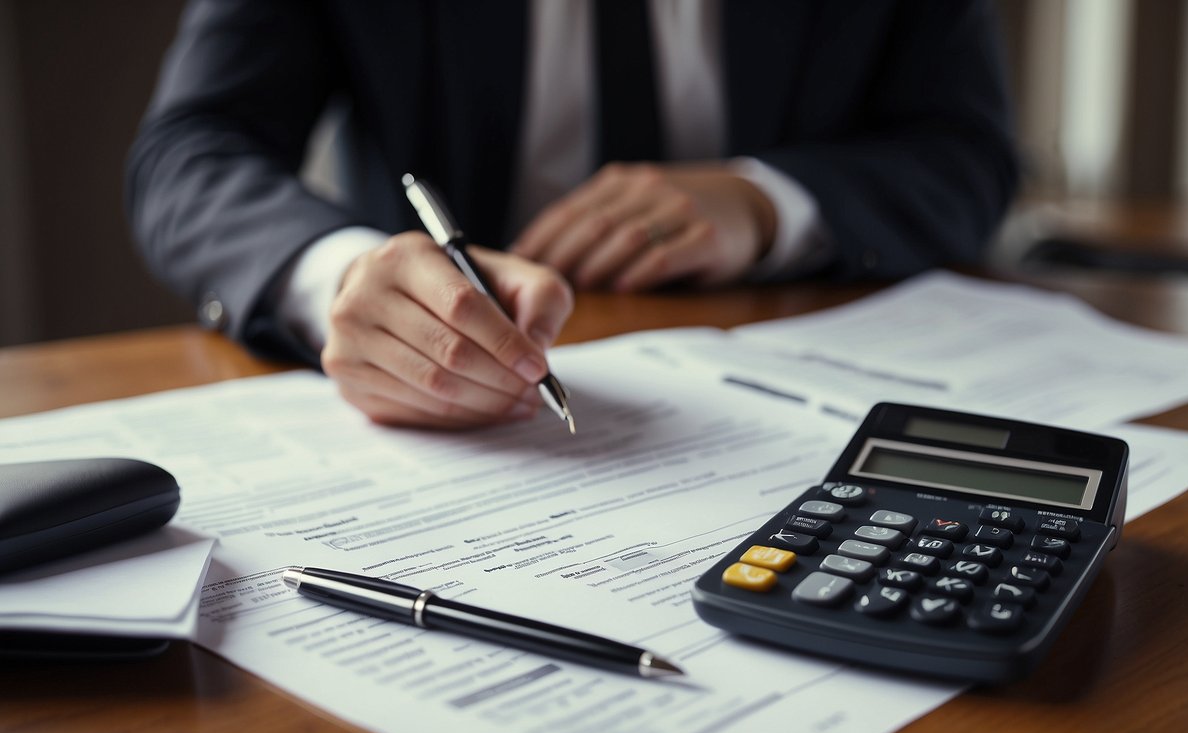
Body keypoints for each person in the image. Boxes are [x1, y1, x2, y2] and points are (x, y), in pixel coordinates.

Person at [126, 0, 1018, 430]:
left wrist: (766, 200)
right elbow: (191, 150)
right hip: (447, 380)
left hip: (794, 365)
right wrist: (340, 276)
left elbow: (966, 153)